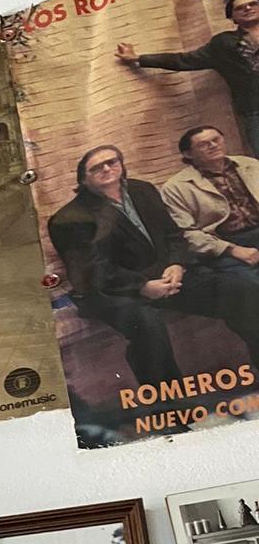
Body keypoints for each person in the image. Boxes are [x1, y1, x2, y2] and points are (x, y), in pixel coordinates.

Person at [46, 144, 259, 392]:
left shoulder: (142, 190)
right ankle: (172, 405)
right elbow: (91, 269)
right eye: (97, 167)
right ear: (83, 179)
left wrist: (177, 264)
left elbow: (174, 235)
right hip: (113, 291)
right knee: (147, 325)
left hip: (167, 277)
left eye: (112, 162)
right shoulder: (69, 218)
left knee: (240, 288)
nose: (107, 168)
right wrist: (142, 286)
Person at [117, 0, 259, 156]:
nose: (248, 8)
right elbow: (183, 60)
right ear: (233, 18)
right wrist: (138, 58)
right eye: (240, 8)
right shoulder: (223, 43)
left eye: (253, 4)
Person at [160, 126, 259, 263]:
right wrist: (232, 250)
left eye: (216, 140)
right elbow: (186, 232)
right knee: (248, 283)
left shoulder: (250, 165)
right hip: (222, 245)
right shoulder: (176, 187)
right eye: (203, 145)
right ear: (188, 154)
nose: (213, 146)